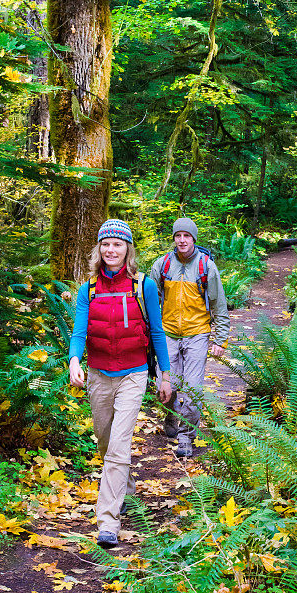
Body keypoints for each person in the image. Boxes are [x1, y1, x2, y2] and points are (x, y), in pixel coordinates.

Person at [69, 219, 172, 548]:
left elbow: (156, 332)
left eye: (118, 244)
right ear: (99, 249)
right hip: (98, 374)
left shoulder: (144, 287)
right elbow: (79, 331)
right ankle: (125, 489)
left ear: (128, 249)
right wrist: (74, 360)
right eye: (106, 244)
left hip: (133, 373)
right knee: (104, 441)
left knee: (118, 447)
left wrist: (165, 375)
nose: (111, 249)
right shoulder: (89, 289)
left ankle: (108, 522)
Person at [150, 217, 230, 457]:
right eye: (178, 235)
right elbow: (149, 303)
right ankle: (172, 414)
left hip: (197, 334)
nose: (182, 240)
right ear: (174, 238)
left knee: (193, 389)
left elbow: (219, 304)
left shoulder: (206, 266)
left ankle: (186, 436)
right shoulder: (162, 265)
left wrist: (220, 339)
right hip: (167, 333)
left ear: (194, 238)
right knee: (165, 386)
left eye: (187, 236)